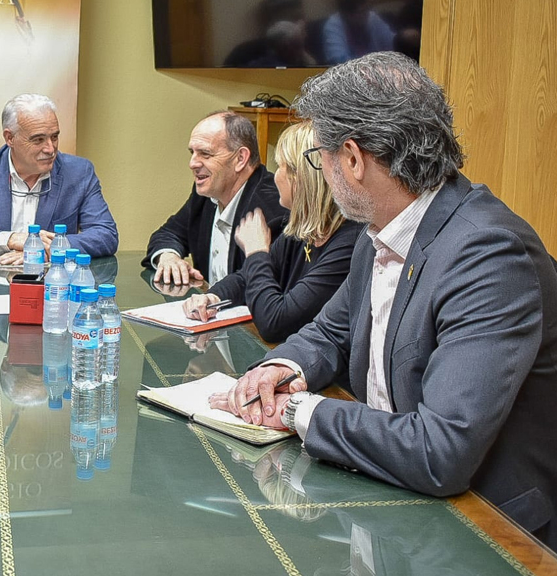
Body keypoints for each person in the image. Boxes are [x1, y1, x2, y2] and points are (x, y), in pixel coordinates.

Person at [214, 52, 557, 549]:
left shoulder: (488, 254)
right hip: (391, 505)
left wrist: (296, 412)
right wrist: (283, 368)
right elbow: (332, 330)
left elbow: (441, 450)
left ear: (351, 159)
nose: (323, 174)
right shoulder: (378, 230)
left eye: (321, 158)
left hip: (485, 534)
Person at [181, 121, 361, 343]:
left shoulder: (348, 243)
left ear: (304, 177)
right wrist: (213, 297)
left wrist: (256, 252)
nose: (275, 177)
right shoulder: (302, 229)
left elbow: (274, 323)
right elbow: (245, 278)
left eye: (282, 167)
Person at [0, 93, 119, 264]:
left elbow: (105, 234)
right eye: (38, 140)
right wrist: (12, 239)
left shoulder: (78, 173)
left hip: (53, 285)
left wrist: (48, 248)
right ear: (10, 138)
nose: (50, 148)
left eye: (54, 137)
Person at [145, 111, 289, 285]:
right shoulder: (209, 193)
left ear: (240, 158)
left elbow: (257, 285)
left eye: (205, 154)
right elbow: (169, 233)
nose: (193, 163)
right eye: (192, 152)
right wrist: (168, 257)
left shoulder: (273, 207)